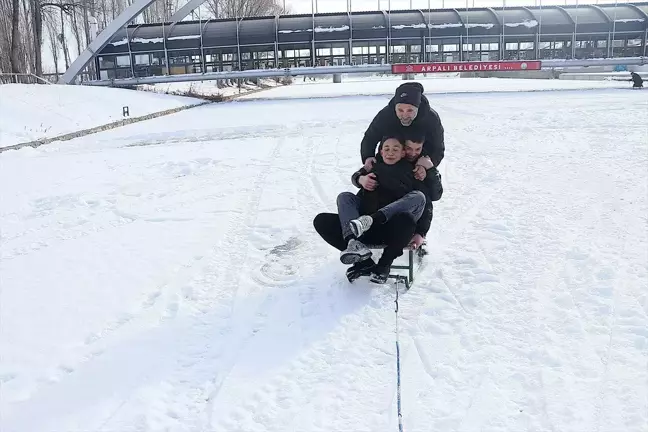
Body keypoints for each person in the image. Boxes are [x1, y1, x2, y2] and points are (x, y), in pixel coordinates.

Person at [314, 136, 442, 284]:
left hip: (394, 232)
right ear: (381, 152)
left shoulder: (413, 173)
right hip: (364, 230)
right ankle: (360, 255)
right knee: (337, 205)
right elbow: (356, 199)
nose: (390, 152)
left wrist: (421, 233)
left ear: (402, 154)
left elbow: (426, 205)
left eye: (395, 149)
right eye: (386, 149)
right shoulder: (371, 172)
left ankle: (383, 265)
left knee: (417, 198)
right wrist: (360, 178)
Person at [355, 128, 441, 251]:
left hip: (406, 219)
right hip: (380, 218)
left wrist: (431, 170)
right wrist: (360, 178)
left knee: (418, 197)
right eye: (409, 148)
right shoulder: (384, 159)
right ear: (403, 149)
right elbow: (360, 174)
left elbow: (433, 197)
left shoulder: (420, 166)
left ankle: (419, 238)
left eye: (417, 149)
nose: (412, 153)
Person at [361, 82, 445, 171]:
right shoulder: (385, 115)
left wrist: (427, 166)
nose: (404, 115)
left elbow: (438, 148)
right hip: (391, 160)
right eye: (400, 110)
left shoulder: (431, 118)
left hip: (418, 161)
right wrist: (368, 156)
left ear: (418, 108)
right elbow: (370, 137)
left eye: (410, 110)